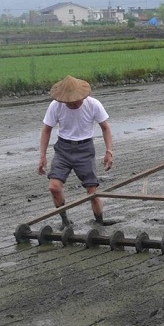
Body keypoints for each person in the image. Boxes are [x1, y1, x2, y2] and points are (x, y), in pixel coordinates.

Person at [37, 75, 113, 230]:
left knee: (92, 191)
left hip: (85, 149)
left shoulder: (93, 105)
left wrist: (109, 152)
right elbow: (46, 130)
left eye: (76, 101)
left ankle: (99, 222)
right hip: (63, 149)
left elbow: (105, 127)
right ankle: (65, 221)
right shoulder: (55, 106)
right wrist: (42, 156)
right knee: (54, 187)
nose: (73, 104)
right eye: (69, 102)